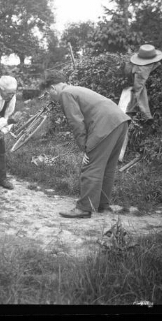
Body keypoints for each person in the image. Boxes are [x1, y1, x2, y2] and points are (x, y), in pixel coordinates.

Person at [41, 71, 131, 218]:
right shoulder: (75, 89)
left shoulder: (65, 94)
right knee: (107, 167)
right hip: (120, 121)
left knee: (91, 167)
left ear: (52, 88)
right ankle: (102, 205)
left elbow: (76, 123)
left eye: (48, 93)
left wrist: (85, 149)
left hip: (105, 125)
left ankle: (84, 208)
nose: (50, 97)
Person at [122, 44, 162, 121]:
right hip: (135, 78)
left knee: (138, 90)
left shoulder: (143, 67)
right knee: (139, 90)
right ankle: (142, 114)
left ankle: (132, 112)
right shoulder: (141, 68)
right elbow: (138, 88)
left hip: (136, 76)